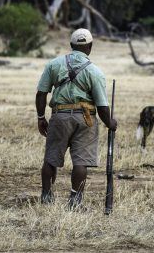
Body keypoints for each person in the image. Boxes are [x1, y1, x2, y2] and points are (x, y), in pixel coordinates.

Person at [35, 28, 117, 209]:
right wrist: (110, 123)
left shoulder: (54, 64)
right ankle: (75, 200)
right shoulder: (95, 72)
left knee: (51, 158)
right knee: (81, 161)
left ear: (71, 45)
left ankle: (47, 196)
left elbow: (41, 94)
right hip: (86, 119)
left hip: (59, 116)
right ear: (90, 47)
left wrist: (41, 117)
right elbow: (102, 106)